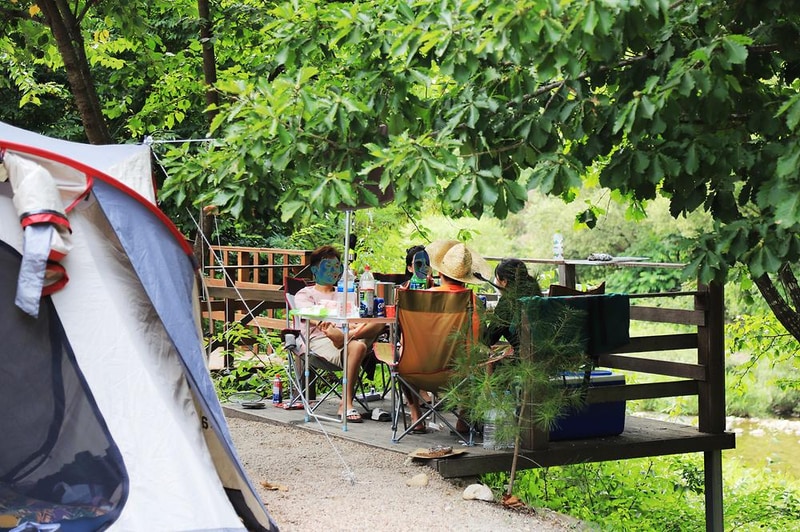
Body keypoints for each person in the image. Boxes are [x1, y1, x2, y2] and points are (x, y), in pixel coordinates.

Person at [402, 239, 491, 431]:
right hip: (459, 374)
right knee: (478, 356)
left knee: (401, 353)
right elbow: (478, 339)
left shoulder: (422, 298)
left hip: (417, 370)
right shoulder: (473, 302)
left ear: (440, 272)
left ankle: (416, 415)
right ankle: (463, 418)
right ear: (467, 276)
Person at [294, 245, 384, 423]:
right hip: (319, 340)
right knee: (358, 346)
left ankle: (345, 338)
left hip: (347, 333)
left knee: (379, 321)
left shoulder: (346, 292)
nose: (333, 271)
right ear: (314, 270)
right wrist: (332, 327)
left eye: (336, 266)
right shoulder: (305, 293)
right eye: (328, 266)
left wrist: (349, 332)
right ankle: (346, 403)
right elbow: (311, 317)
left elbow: (359, 315)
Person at [483, 258, 542, 353]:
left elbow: (490, 339)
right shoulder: (535, 293)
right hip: (546, 353)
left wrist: (481, 318)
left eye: (496, 278)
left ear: (504, 281)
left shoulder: (507, 301)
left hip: (524, 357)